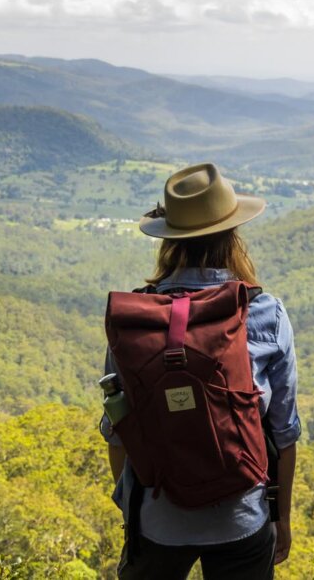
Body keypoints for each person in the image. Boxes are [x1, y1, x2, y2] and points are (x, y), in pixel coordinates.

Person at [100, 163, 301, 580]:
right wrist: (281, 517)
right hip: (241, 516)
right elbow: (284, 431)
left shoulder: (136, 320)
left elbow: (118, 430)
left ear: (169, 241)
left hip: (157, 518)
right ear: (233, 235)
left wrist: (133, 514)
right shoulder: (264, 312)